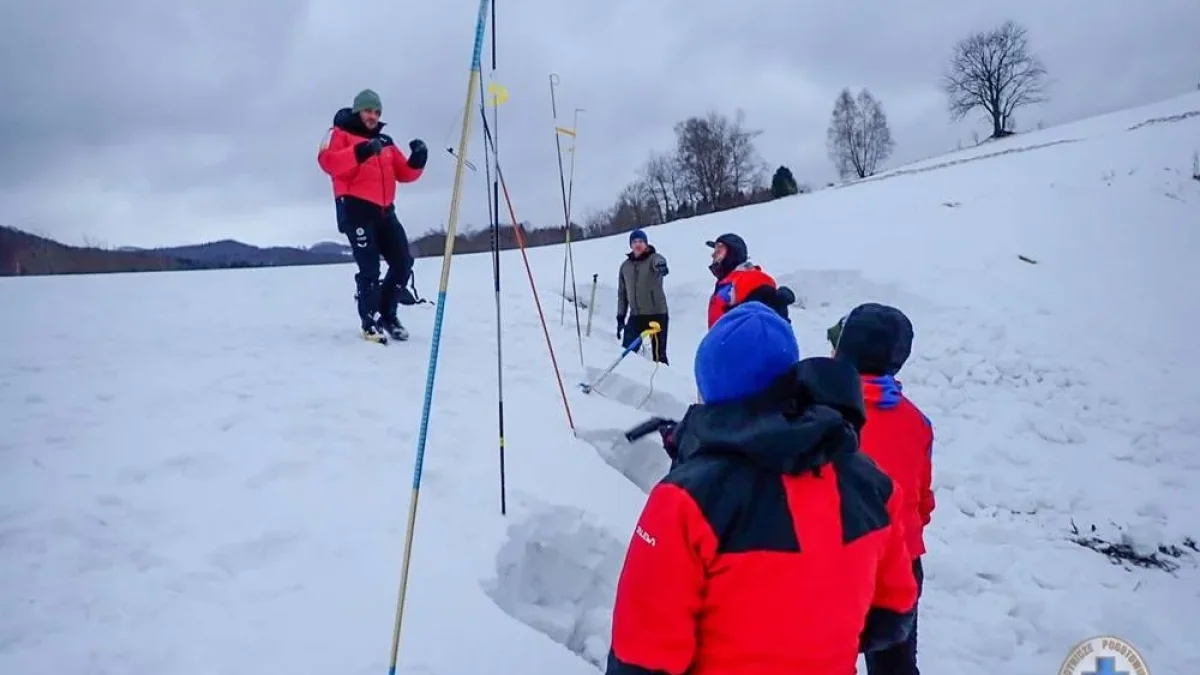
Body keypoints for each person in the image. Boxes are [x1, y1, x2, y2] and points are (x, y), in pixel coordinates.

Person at [606, 302, 919, 675]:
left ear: (709, 388)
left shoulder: (684, 501)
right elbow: (895, 610)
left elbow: (642, 655)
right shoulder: (874, 485)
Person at [828, 303, 934, 675]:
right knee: (896, 666)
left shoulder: (819, 411)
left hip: (835, 563)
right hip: (902, 565)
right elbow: (923, 502)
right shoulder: (918, 423)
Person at [317, 88, 428, 342]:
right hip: (356, 210)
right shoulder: (339, 134)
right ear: (358, 111)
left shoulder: (385, 142)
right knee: (370, 268)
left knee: (402, 263)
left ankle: (387, 314)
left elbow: (405, 173)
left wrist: (418, 160)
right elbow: (328, 162)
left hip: (385, 212)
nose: (373, 116)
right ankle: (369, 321)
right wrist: (362, 151)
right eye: (368, 110)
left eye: (377, 112)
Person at [705, 232, 795, 328]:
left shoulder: (752, 277)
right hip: (721, 340)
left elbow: (768, 320)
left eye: (719, 251)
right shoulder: (726, 282)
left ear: (733, 254)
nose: (713, 255)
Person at [616, 228, 670, 364]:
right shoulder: (625, 267)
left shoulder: (653, 259)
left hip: (657, 314)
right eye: (634, 241)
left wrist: (661, 266)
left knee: (659, 357)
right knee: (627, 353)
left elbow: (659, 260)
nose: (638, 244)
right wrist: (620, 317)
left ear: (646, 244)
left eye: (641, 241)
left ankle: (665, 383)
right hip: (636, 316)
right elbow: (622, 294)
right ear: (631, 245)